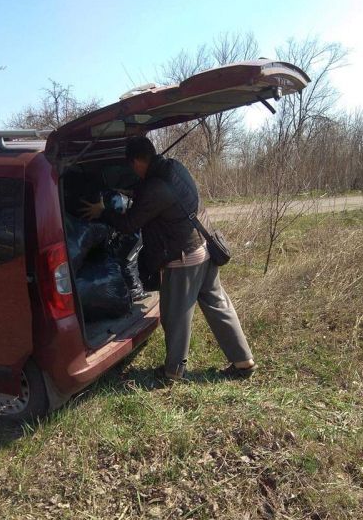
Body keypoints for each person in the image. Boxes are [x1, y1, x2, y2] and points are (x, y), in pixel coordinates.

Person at [81, 136, 256, 381]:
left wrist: (103, 211)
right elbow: (160, 196)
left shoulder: (154, 187)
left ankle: (173, 371)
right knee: (219, 306)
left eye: (131, 166)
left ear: (136, 162)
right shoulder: (174, 167)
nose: (132, 171)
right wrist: (131, 191)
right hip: (204, 247)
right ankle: (244, 360)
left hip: (183, 258)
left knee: (175, 316)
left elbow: (130, 223)